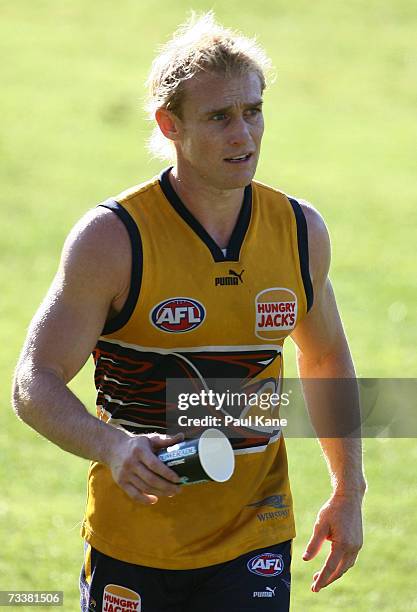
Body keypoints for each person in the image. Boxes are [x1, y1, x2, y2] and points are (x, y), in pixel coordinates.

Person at [12, 12, 366, 612]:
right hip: (135, 541)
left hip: (255, 535)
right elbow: (33, 382)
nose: (244, 134)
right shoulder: (114, 240)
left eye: (253, 111)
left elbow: (325, 353)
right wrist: (115, 448)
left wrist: (348, 491)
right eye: (220, 117)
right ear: (169, 124)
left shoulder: (300, 232)